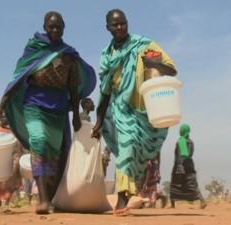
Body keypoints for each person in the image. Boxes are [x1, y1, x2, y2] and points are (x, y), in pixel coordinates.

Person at [0, 11, 96, 214]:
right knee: (38, 142)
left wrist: (75, 115)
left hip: (58, 111)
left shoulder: (69, 56)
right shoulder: (34, 49)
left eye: (58, 27)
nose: (54, 30)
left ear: (63, 29)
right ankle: (43, 200)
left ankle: (51, 197)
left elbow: (73, 89)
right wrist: (2, 104)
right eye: (51, 27)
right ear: (45, 27)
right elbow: (19, 77)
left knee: (54, 155)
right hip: (34, 106)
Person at [91, 9, 177, 215]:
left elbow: (172, 69)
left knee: (138, 156)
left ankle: (131, 191)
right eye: (115, 25)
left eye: (123, 23)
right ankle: (121, 200)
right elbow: (105, 92)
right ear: (108, 28)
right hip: (121, 110)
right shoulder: (107, 56)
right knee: (127, 146)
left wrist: (154, 64)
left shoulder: (144, 45)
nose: (120, 27)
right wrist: (99, 121)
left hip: (146, 111)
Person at [169, 124, 207, 209]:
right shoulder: (191, 141)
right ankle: (202, 200)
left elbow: (184, 154)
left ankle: (172, 204)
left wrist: (180, 163)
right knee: (192, 184)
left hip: (180, 165)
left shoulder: (181, 141)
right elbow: (189, 154)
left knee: (175, 184)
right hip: (189, 165)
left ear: (181, 131)